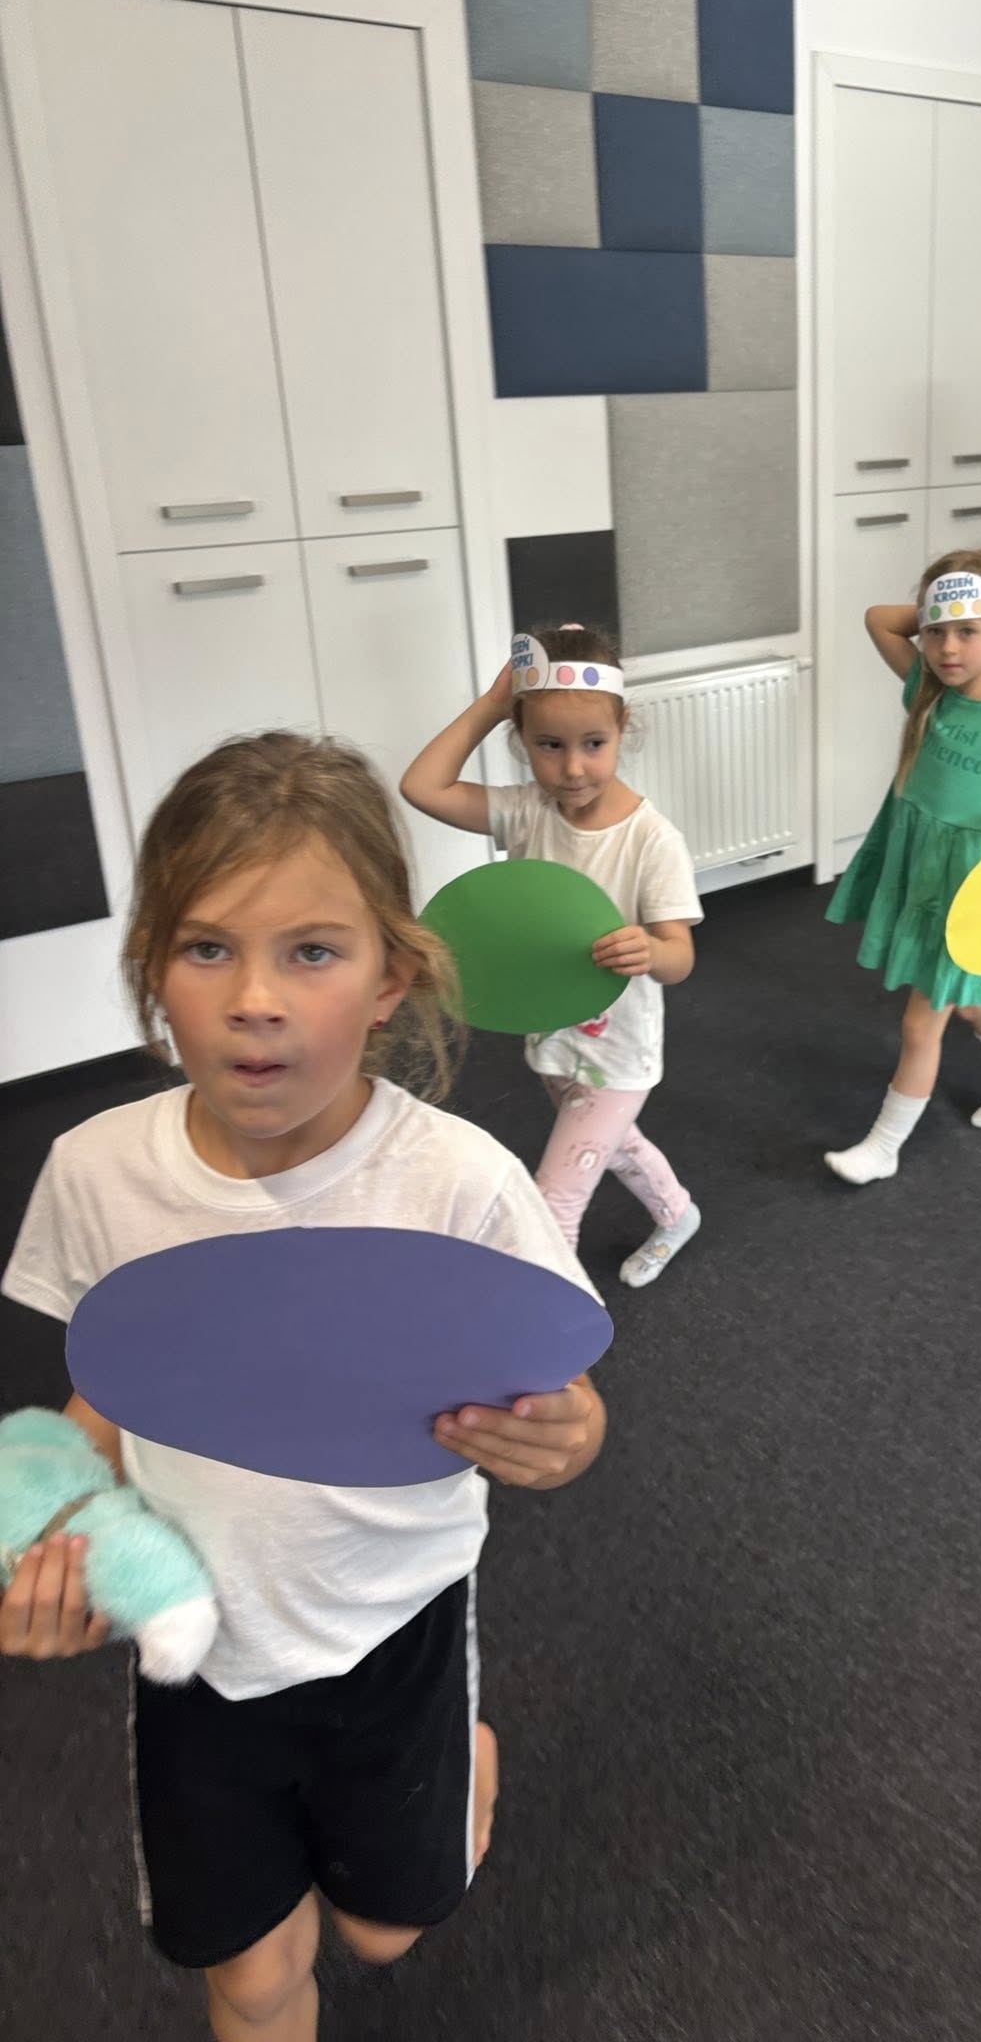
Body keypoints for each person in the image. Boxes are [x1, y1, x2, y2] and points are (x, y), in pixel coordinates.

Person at [0, 732, 607, 2042]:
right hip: (201, 1646)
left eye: (312, 952)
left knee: (384, 1932)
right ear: (152, 970)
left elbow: (564, 1406)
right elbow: (107, 1396)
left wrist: (564, 1438)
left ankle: (466, 1767)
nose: (255, 999)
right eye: (207, 947)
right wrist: (53, 1544)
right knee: (252, 1975)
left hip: (395, 1627)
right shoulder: (97, 1172)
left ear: (393, 977)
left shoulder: (457, 1183)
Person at [402, 625, 702, 1287]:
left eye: (594, 744)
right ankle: (678, 1214)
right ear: (521, 738)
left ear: (623, 729)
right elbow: (422, 786)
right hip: (554, 1036)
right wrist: (491, 704)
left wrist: (651, 948)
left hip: (619, 1056)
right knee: (613, 1146)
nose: (572, 769)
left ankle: (555, 1328)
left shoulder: (651, 841)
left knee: (555, 1200)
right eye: (549, 745)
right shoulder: (527, 813)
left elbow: (680, 958)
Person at [822, 550, 981, 1184]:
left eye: (968, 630)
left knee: (922, 1021)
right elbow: (878, 619)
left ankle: (883, 1148)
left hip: (967, 881)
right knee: (972, 1000)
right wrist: (945, 602)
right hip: (919, 860)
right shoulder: (928, 688)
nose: (947, 647)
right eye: (936, 630)